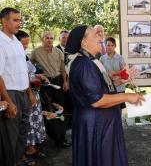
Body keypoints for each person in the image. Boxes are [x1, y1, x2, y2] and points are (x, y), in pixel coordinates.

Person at [66, 25, 144, 166]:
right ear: (84, 42)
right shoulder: (84, 65)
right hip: (95, 125)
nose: (99, 37)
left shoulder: (90, 61)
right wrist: (128, 97)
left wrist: (121, 80)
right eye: (95, 35)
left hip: (99, 123)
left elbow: (100, 87)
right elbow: (97, 100)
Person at [0, 7, 37, 166]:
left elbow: (24, 70)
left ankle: (17, 161)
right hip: (10, 94)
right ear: (4, 21)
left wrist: (29, 94)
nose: (19, 23)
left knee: (23, 132)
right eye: (15, 20)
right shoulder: (1, 42)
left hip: (23, 93)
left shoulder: (16, 41)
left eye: (19, 20)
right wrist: (8, 101)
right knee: (10, 135)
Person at [30, 31, 70, 148]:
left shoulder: (58, 52)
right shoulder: (36, 52)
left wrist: (65, 81)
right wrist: (37, 75)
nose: (49, 40)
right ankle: (54, 137)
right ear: (43, 39)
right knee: (49, 110)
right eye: (47, 38)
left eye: (51, 38)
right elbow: (30, 67)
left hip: (58, 82)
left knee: (61, 109)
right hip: (45, 84)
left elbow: (63, 69)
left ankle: (61, 138)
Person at [15, 30, 47, 159]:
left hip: (33, 93)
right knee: (25, 124)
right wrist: (30, 93)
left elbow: (28, 74)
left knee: (33, 123)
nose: (26, 47)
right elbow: (23, 77)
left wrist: (37, 76)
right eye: (23, 44)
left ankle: (31, 148)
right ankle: (21, 154)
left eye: (27, 44)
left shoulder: (24, 56)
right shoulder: (14, 57)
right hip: (24, 95)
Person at [99, 37, 127, 108]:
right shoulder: (102, 58)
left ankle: (121, 119)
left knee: (121, 108)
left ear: (115, 46)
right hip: (108, 88)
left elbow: (125, 72)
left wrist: (115, 73)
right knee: (110, 109)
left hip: (119, 88)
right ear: (105, 46)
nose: (110, 47)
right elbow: (99, 73)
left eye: (112, 45)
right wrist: (107, 74)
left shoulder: (120, 58)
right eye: (108, 45)